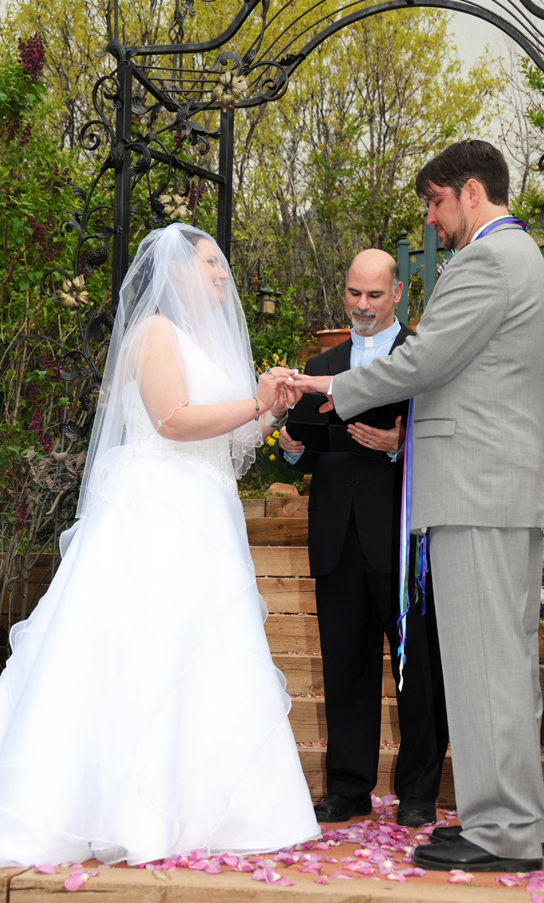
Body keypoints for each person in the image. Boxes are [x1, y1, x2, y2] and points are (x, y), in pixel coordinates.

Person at [292, 140, 544, 873]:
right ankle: (516, 819)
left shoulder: (485, 262)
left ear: (471, 192)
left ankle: (499, 831)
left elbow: (427, 359)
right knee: (502, 665)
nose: (431, 218)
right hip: (500, 490)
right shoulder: (535, 271)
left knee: (483, 665)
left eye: (435, 202)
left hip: (474, 493)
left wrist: (328, 387)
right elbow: (539, 384)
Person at [0, 223, 319, 867]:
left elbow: (231, 444)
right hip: (155, 509)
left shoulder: (208, 341)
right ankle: (123, 809)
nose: (224, 275)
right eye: (212, 264)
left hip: (205, 508)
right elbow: (172, 419)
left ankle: (208, 809)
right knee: (144, 649)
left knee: (208, 654)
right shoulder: (153, 335)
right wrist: (248, 403)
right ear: (176, 270)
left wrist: (267, 412)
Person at [279, 249, 448, 827]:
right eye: (354, 293)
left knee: (418, 669)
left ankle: (419, 791)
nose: (362, 306)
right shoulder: (322, 362)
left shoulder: (422, 358)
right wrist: (292, 449)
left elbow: (448, 439)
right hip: (336, 536)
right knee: (344, 669)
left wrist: (399, 448)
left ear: (397, 294)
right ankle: (348, 788)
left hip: (402, 539)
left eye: (375, 295)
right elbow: (304, 443)